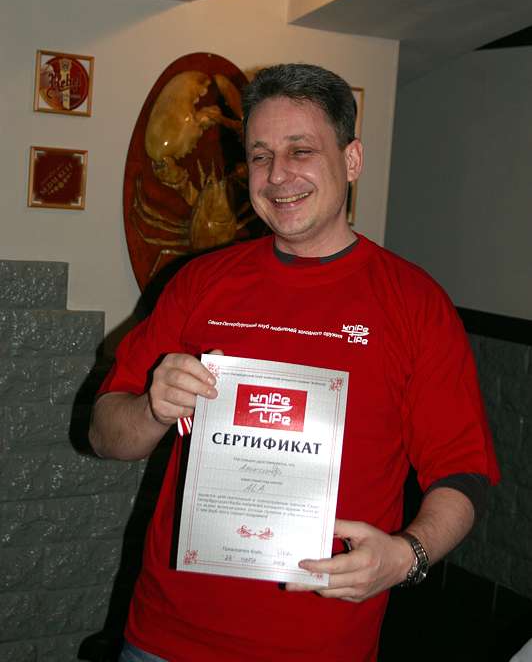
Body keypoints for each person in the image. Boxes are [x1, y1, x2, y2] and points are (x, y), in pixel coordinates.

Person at [90, 63, 500, 662]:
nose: (278, 175)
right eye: (260, 156)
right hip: (163, 639)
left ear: (352, 160)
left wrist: (406, 556)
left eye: (301, 150)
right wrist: (152, 408)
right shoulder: (198, 284)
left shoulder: (415, 305)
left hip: (321, 646)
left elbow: (462, 474)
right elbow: (105, 435)